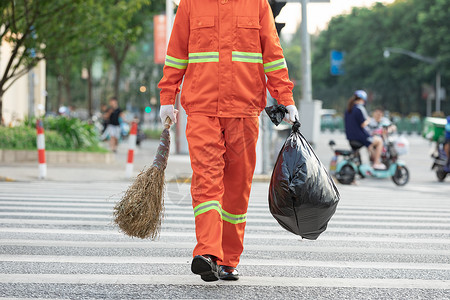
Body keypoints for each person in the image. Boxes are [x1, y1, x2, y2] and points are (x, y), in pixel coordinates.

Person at [157, 0, 298, 282]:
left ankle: (229, 259)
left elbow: (273, 54)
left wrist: (285, 98)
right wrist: (166, 97)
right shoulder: (190, 4)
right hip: (202, 109)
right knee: (207, 179)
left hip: (244, 110)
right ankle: (207, 252)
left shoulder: (257, 4)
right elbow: (176, 54)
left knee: (237, 184)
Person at [344, 90, 386, 170]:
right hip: (360, 137)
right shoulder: (360, 108)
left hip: (350, 137)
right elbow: (363, 124)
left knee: (370, 145)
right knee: (379, 141)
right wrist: (368, 120)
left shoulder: (348, 109)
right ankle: (376, 163)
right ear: (363, 99)